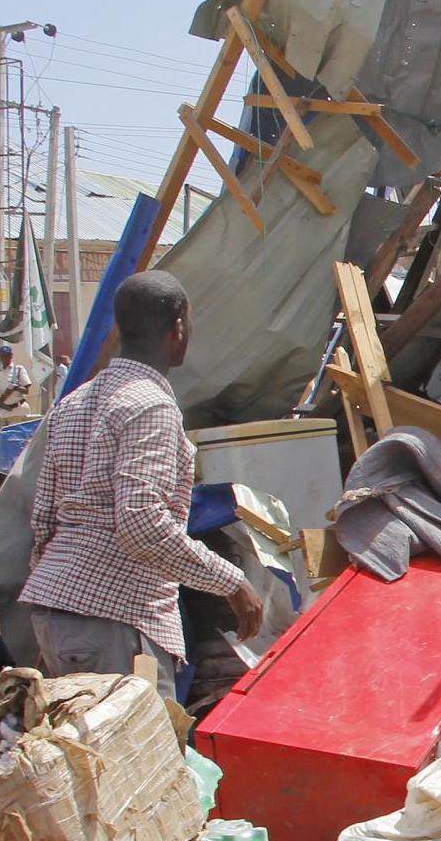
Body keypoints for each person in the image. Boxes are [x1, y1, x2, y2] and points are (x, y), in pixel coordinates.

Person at [21, 272, 263, 685]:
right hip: (116, 618)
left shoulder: (74, 402)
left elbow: (44, 517)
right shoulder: (151, 406)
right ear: (179, 328)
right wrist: (232, 582)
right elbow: (141, 524)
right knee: (139, 746)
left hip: (58, 612)